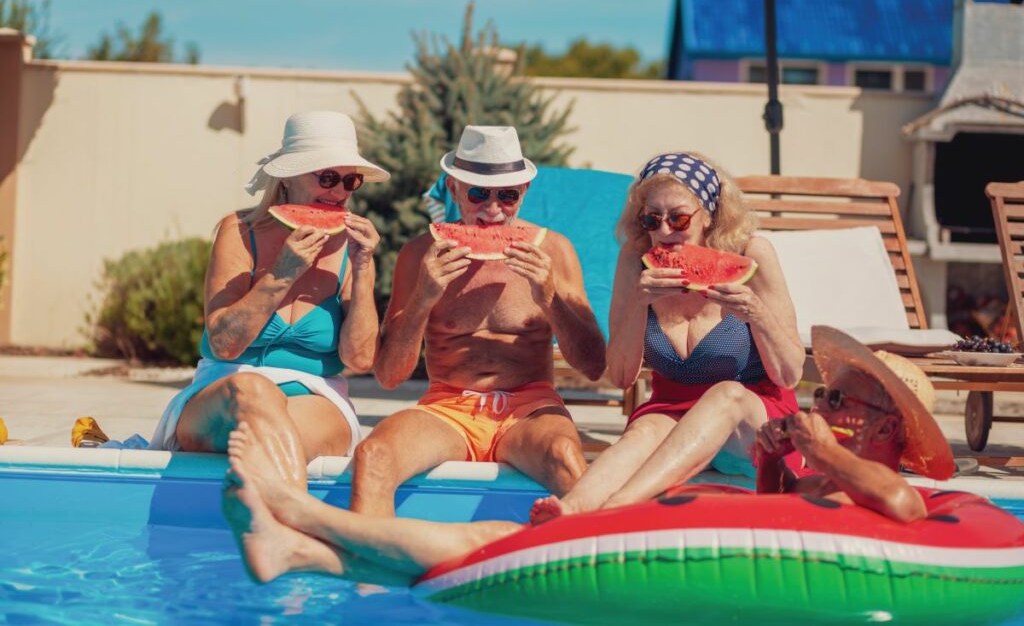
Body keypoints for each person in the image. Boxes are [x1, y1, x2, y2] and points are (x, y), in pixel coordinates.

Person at [219, 326, 954, 584]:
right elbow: (773, 512)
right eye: (828, 399)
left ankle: (295, 510)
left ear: (891, 426)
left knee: (488, 543)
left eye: (847, 402)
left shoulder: (886, 486)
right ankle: (302, 552)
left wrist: (823, 452)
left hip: (690, 553)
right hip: (697, 537)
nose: (828, 409)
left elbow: (901, 504)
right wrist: (776, 457)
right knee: (485, 545)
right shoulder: (833, 475)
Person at [532, 152, 805, 522]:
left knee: (726, 396)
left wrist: (756, 312)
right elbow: (622, 376)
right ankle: (570, 510)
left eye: (678, 218)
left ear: (709, 214)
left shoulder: (753, 255)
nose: (663, 232)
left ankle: (616, 509)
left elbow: (789, 375)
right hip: (672, 415)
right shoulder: (636, 258)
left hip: (757, 426)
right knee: (643, 429)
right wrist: (638, 302)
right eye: (652, 219)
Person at [351, 125, 607, 515]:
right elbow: (388, 376)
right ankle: (368, 572)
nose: (492, 210)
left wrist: (549, 298)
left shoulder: (555, 250)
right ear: (453, 189)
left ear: (524, 192)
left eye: (507, 196)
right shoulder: (420, 254)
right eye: (478, 194)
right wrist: (424, 298)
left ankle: (588, 566)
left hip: (530, 408)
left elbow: (592, 367)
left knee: (566, 456)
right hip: (447, 407)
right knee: (373, 454)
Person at [148, 110, 387, 489]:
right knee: (254, 391)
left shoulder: (352, 247)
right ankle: (293, 526)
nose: (339, 192)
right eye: (326, 177)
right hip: (227, 392)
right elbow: (224, 345)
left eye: (350, 180)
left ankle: (264, 525)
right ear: (287, 177)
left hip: (316, 398)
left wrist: (363, 272)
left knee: (278, 424)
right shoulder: (239, 231)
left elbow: (359, 359)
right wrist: (282, 275)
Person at [756, 325, 955, 521]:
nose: (817, 408)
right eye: (821, 395)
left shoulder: (900, 494)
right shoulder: (814, 485)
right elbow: (773, 507)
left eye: (836, 399)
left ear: (884, 429)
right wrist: (771, 458)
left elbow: (899, 500)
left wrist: (824, 450)